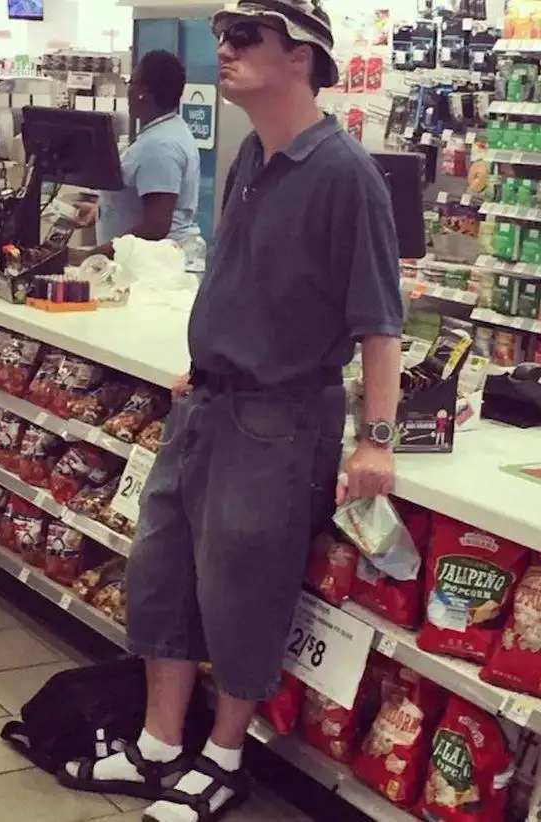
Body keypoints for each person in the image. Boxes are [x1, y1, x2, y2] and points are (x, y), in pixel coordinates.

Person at [61, 2, 403, 821]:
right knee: (162, 575)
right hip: (208, 403)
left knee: (244, 592)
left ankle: (222, 757)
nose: (223, 48)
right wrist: (207, 355)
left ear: (302, 56)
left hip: (279, 417)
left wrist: (378, 440)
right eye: (222, 34)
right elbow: (246, 276)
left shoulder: (345, 174)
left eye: (245, 36)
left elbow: (380, 324)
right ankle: (157, 745)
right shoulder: (253, 152)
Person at [69, 49, 202, 265]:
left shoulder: (160, 145)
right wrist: (100, 212)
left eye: (131, 82)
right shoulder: (165, 130)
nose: (128, 90)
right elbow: (142, 199)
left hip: (154, 268)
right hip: (145, 263)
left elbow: (155, 226)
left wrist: (90, 257)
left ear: (143, 92)